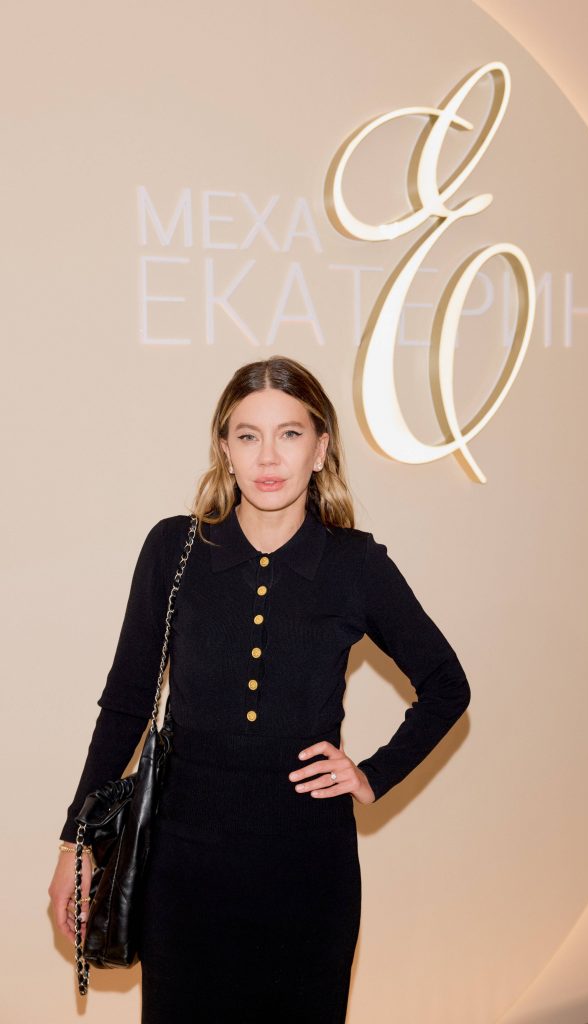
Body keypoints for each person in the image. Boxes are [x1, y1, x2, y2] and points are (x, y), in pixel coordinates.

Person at [48, 354, 471, 1022]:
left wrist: (372, 774)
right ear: (225, 448)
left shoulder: (354, 565)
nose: (268, 457)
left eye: (289, 434)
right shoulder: (174, 549)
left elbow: (447, 685)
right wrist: (76, 846)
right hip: (183, 871)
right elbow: (126, 704)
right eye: (248, 435)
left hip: (308, 871)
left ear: (320, 449)